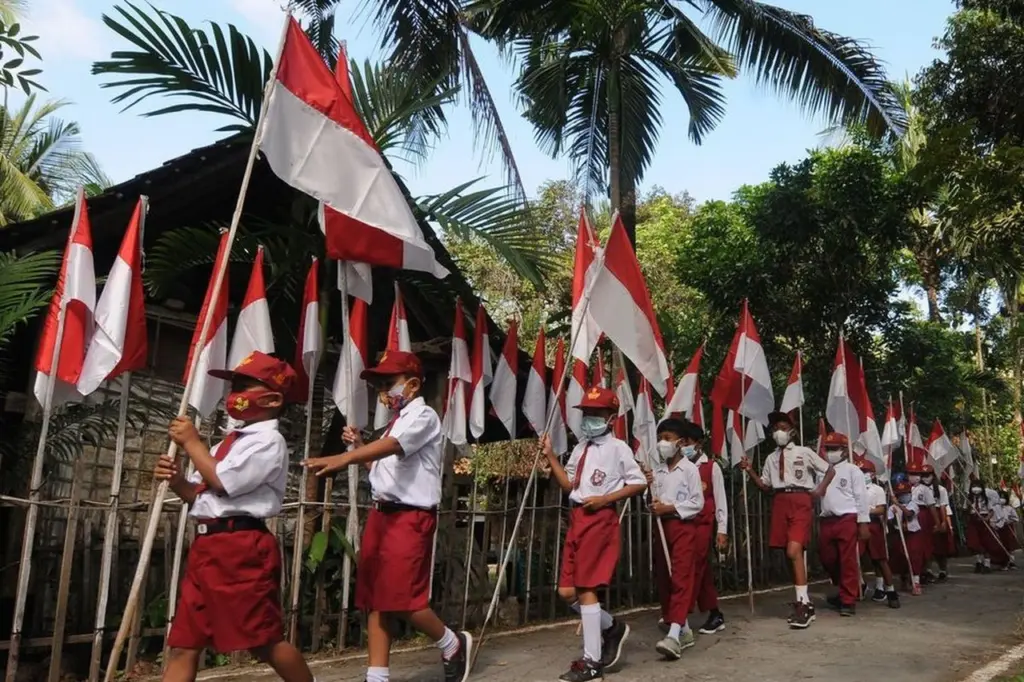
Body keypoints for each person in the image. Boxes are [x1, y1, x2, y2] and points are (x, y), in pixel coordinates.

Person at [304, 350, 471, 682]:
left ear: (412, 385)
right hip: (382, 515)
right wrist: (359, 446)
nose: (383, 392)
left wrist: (342, 459)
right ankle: (377, 676)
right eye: (379, 386)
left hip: (410, 518)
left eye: (388, 383)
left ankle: (451, 642)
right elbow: (382, 471)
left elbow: (395, 446)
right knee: (375, 598)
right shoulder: (394, 424)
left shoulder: (424, 417)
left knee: (403, 598)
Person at [156, 351, 316, 682]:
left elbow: (222, 482)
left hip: (241, 548)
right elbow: (201, 496)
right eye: (234, 388)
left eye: (243, 387)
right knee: (184, 644)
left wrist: (192, 443)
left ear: (273, 399)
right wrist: (178, 481)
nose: (234, 395)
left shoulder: (269, 442)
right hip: (208, 546)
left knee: (263, 641)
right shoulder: (229, 443)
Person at [542, 386, 647, 682]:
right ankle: (612, 627)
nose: (589, 418)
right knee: (566, 592)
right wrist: (550, 456)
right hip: (577, 518)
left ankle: (592, 662)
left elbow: (639, 482)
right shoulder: (580, 448)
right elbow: (569, 485)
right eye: (586, 413)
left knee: (587, 588)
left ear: (611, 418)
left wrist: (606, 499)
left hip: (599, 519)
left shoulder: (618, 448)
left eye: (596, 413)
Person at [740, 411, 833, 629]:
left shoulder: (804, 452)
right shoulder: (771, 458)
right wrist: (750, 470)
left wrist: (820, 489)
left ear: (792, 431)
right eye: (775, 429)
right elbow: (765, 485)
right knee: (787, 553)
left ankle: (803, 603)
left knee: (794, 550)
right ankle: (803, 600)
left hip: (800, 498)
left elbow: (829, 470)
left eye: (782, 428)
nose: (778, 432)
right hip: (780, 500)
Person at [643, 418, 704, 660]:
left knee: (680, 577)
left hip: (682, 527)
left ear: (680, 442)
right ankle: (684, 629)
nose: (662, 443)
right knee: (665, 577)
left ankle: (674, 634)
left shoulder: (689, 470)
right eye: (660, 439)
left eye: (667, 438)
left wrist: (669, 508)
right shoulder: (657, 471)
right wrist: (649, 493)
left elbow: (697, 502)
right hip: (662, 529)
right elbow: (651, 502)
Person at [817, 433, 870, 617]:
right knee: (828, 558)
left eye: (834, 449)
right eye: (828, 449)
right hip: (827, 519)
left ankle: (848, 600)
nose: (830, 452)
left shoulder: (853, 470)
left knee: (848, 560)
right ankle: (845, 587)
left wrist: (863, 522)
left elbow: (861, 497)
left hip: (847, 518)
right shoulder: (822, 470)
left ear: (845, 451)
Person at [688, 421, 729, 635]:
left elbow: (720, 499)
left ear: (699, 444)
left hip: (703, 524)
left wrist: (722, 530)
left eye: (688, 442)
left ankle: (681, 612)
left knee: (693, 566)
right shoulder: (680, 467)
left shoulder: (711, 467)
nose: (684, 447)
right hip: (683, 524)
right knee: (702, 571)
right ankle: (714, 613)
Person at [856, 458, 900, 608]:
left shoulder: (877, 490)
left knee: (880, 559)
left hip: (873, 525)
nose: (863, 474)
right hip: (858, 524)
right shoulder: (853, 489)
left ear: (873, 474)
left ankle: (890, 591)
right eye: (860, 471)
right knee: (855, 557)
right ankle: (860, 584)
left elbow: (881, 509)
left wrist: (867, 510)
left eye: (865, 471)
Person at [888, 473, 923, 595]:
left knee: (914, 556)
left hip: (913, 534)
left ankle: (916, 581)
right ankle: (904, 578)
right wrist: (893, 517)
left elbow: (909, 514)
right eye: (901, 494)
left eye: (905, 493)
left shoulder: (913, 504)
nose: (903, 496)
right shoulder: (893, 507)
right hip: (899, 534)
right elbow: (890, 521)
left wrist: (898, 505)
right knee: (900, 557)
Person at [907, 460, 939, 585]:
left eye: (916, 474)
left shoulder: (924, 489)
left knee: (923, 546)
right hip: (907, 515)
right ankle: (909, 573)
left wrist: (937, 522)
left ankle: (923, 571)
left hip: (922, 516)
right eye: (911, 474)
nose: (913, 477)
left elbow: (931, 506)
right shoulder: (904, 487)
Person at [965, 477, 997, 573]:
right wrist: (968, 506)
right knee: (974, 542)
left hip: (984, 521)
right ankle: (978, 562)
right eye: (974, 486)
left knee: (986, 542)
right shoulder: (969, 499)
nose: (976, 488)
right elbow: (965, 511)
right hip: (973, 521)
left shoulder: (986, 499)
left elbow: (991, 511)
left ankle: (987, 564)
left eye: (978, 486)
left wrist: (986, 518)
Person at [993, 489, 1019, 569]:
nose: (1001, 499)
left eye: (1003, 497)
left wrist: (1009, 521)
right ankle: (1003, 562)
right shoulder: (994, 508)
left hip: (1008, 528)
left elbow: (1016, 518)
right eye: (1000, 497)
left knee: (1009, 545)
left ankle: (1011, 562)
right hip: (999, 528)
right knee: (1001, 545)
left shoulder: (1009, 508)